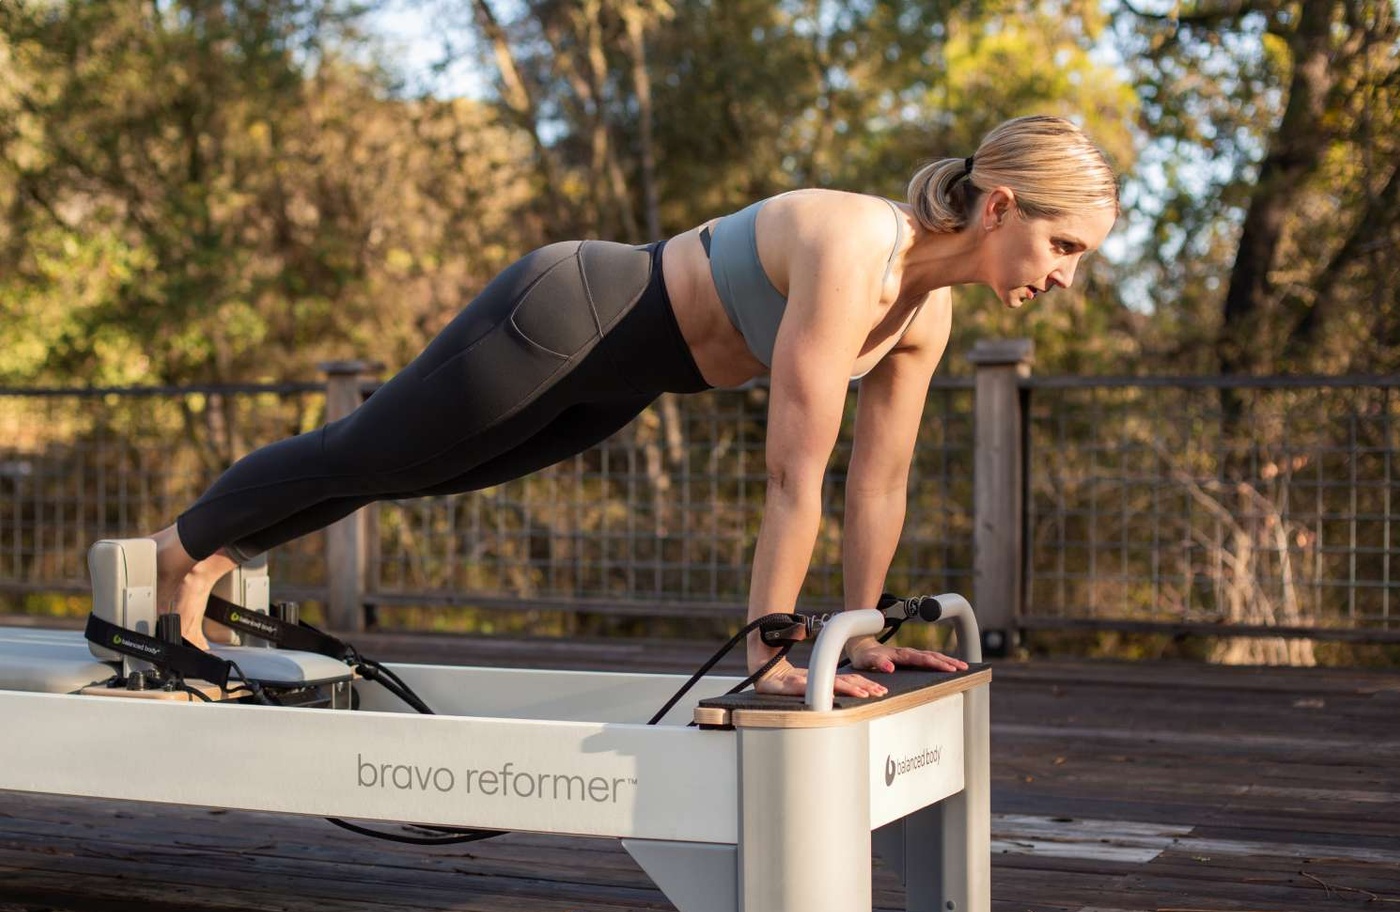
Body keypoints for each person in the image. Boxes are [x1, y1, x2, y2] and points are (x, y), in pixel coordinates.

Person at [151, 114, 1118, 698]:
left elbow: (879, 485)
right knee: (372, 451)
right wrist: (772, 650)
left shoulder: (925, 315)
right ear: (1001, 208)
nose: (1067, 278)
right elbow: (795, 476)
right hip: (571, 312)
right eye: (1064, 246)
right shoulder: (858, 245)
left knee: (418, 473)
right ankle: (174, 556)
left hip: (627, 376)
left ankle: (208, 563)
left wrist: (857, 636)